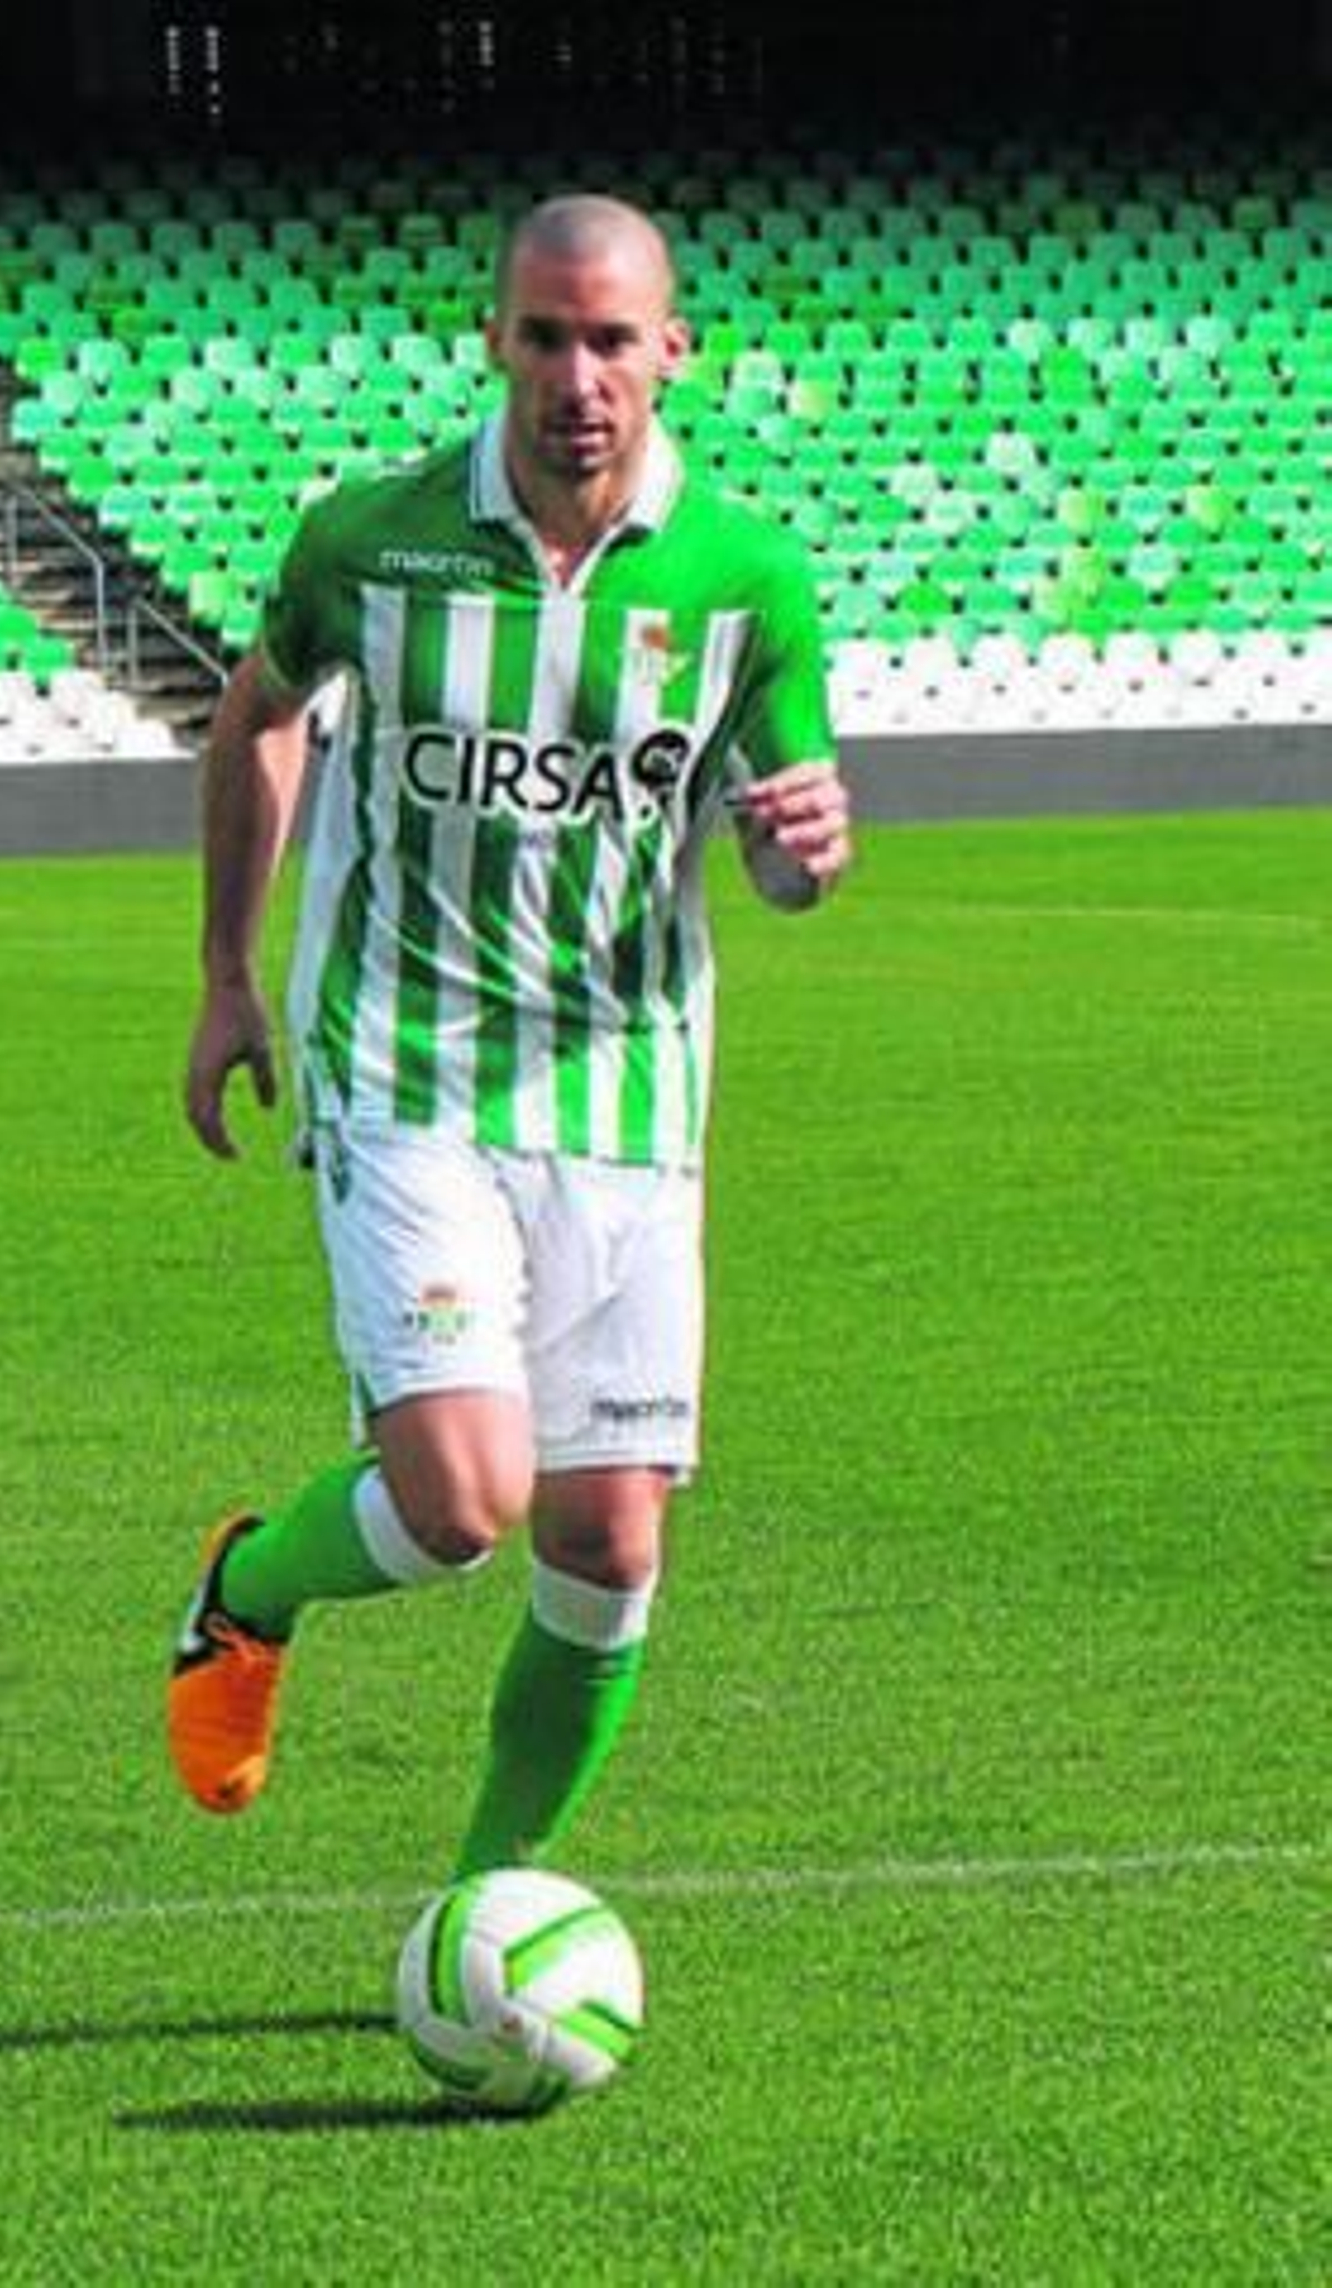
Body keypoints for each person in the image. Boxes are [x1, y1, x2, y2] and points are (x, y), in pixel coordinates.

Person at [170, 191, 853, 1881]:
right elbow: (257, 721)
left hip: (630, 1097)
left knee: (611, 1545)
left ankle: (488, 1914)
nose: (579, 376)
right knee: (463, 1502)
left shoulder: (748, 577)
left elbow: (776, 854)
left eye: (612, 339)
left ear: (671, 352)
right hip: (408, 1071)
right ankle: (247, 1590)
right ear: (495, 341)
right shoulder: (374, 542)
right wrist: (227, 975)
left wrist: (798, 850)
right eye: (544, 336)